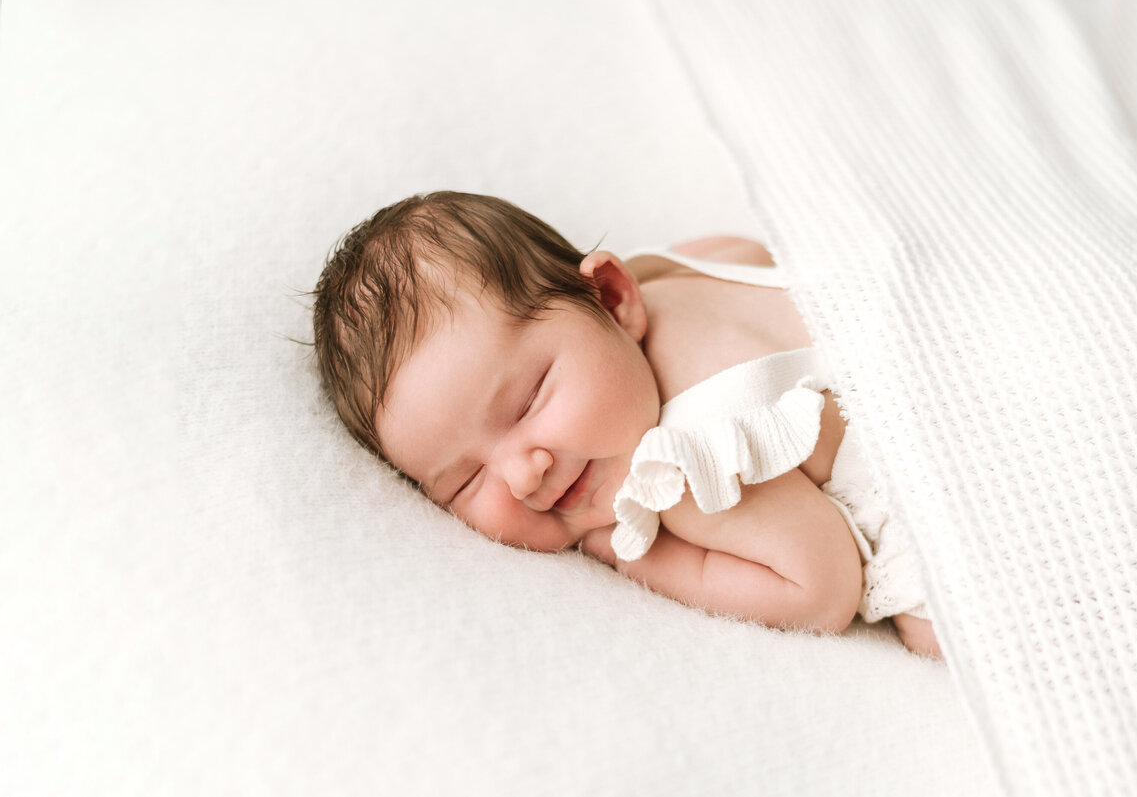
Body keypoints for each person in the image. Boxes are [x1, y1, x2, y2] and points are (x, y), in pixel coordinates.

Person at [312, 191, 941, 658]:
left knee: (936, 625)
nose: (523, 473)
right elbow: (751, 254)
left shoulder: (684, 468)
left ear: (613, 297)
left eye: (529, 401)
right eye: (466, 481)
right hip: (926, 324)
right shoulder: (680, 268)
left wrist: (633, 552)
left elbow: (822, 587)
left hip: (948, 444)